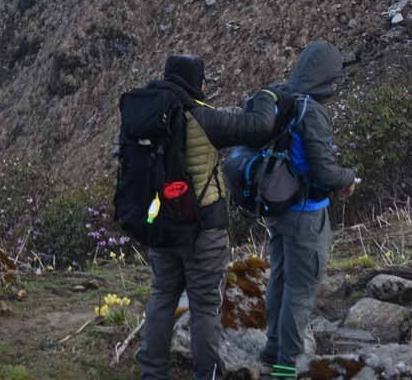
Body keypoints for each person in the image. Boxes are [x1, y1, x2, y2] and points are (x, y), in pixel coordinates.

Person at [136, 54, 282, 380]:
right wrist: (266, 97)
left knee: (162, 298)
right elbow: (259, 127)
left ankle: (153, 374)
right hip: (203, 228)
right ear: (195, 83)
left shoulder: (146, 116)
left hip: (160, 225)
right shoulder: (202, 117)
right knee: (204, 307)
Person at [262, 40, 359, 380]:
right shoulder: (312, 111)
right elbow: (324, 171)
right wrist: (350, 177)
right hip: (306, 211)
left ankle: (272, 348)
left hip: (279, 207)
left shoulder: (283, 101)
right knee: (301, 287)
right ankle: (286, 365)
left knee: (280, 278)